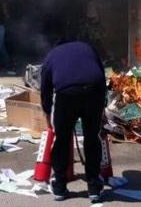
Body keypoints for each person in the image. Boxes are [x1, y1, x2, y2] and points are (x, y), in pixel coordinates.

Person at [40, 38, 107, 203]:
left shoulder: (52, 55)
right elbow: (101, 74)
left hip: (66, 94)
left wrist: (47, 113)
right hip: (94, 91)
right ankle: (94, 188)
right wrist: (102, 105)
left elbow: (45, 89)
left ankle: (60, 188)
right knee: (92, 138)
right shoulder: (87, 47)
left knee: (61, 139)